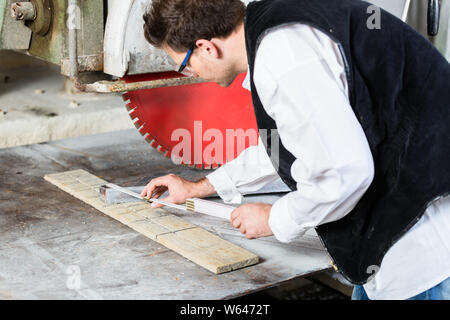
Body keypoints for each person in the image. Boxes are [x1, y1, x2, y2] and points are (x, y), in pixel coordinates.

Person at [140, 0, 450, 300]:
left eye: (184, 64)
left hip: (421, 252)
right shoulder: (273, 30)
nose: (190, 73)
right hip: (391, 243)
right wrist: (200, 188)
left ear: (207, 47)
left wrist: (276, 218)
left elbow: (344, 172)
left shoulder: (281, 57)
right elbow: (293, 144)